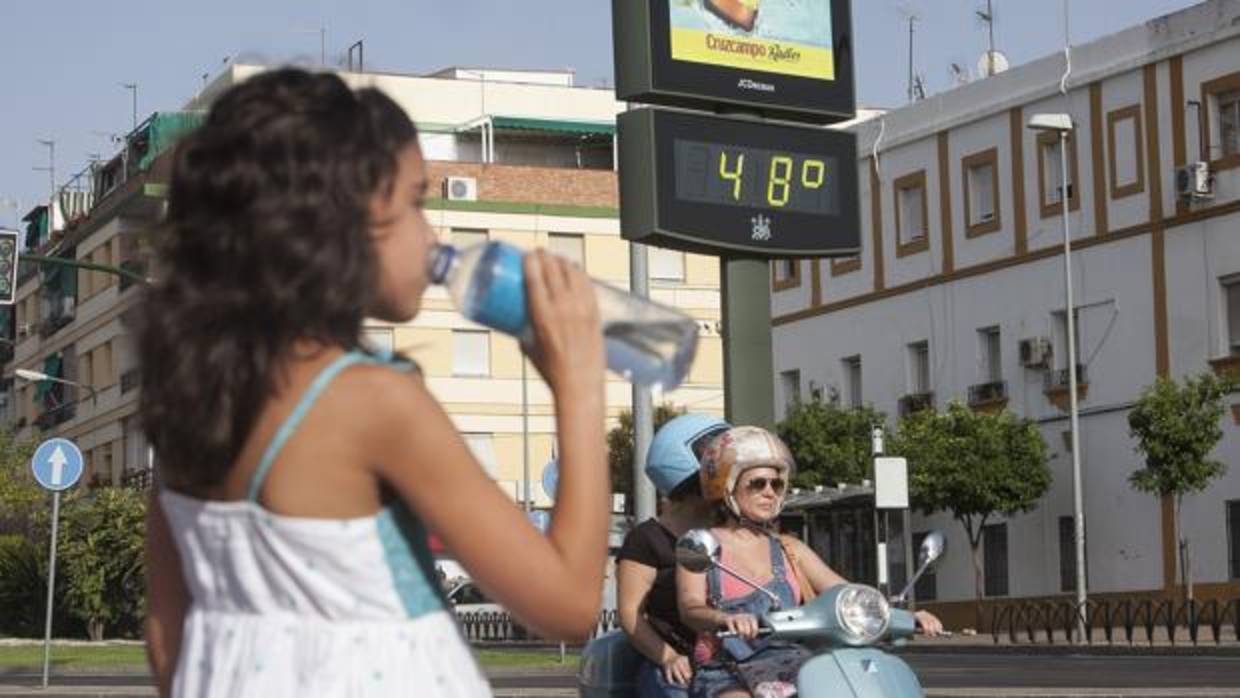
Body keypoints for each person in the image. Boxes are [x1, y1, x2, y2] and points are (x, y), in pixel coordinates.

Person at [139, 68, 609, 697]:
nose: (433, 234)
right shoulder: (373, 401)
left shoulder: (189, 401)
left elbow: (167, 634)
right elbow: (569, 606)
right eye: (415, 201)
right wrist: (578, 387)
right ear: (340, 224)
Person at [677, 426, 942, 698]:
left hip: (794, 663)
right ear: (727, 487)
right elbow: (690, 607)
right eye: (758, 483)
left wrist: (907, 615)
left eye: (776, 484)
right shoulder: (702, 545)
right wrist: (725, 618)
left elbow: (847, 596)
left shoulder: (790, 549)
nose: (770, 492)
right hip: (729, 669)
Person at [616, 414, 731, 697]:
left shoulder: (734, 532)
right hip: (678, 660)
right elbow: (630, 614)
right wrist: (667, 656)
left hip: (737, 656)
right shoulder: (646, 540)